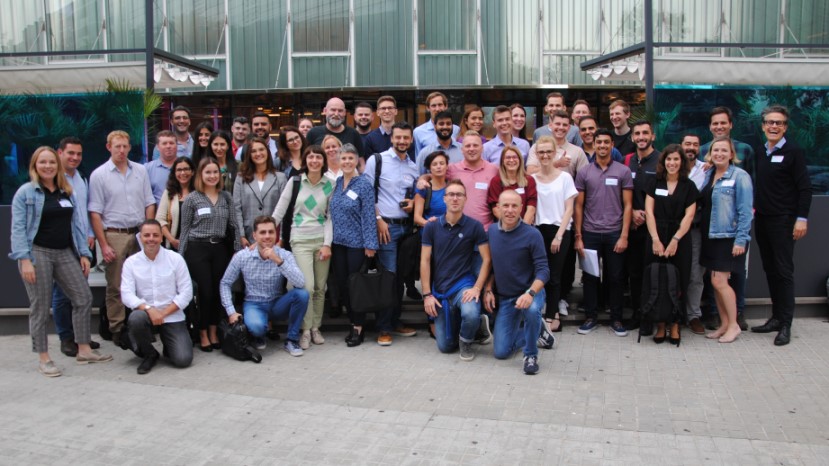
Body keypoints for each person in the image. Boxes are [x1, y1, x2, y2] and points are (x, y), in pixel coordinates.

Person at [10, 147, 112, 377]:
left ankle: (84, 348)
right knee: (40, 306)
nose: (48, 166)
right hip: (38, 253)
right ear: (35, 165)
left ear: (58, 165)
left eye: (51, 163)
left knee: (83, 297)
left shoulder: (67, 192)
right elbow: (17, 229)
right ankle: (44, 357)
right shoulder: (26, 193)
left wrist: (84, 254)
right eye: (42, 162)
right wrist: (24, 259)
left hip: (65, 251)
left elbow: (77, 226)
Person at [750, 105, 812, 346]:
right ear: (763, 126)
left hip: (784, 220)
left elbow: (805, 188)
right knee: (770, 269)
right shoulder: (761, 151)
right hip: (763, 219)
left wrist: (801, 218)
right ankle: (775, 317)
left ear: (785, 127)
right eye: (770, 122)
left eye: (779, 123)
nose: (774, 126)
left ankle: (786, 324)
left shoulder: (793, 151)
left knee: (784, 272)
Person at [89, 130, 155, 347]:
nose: (121, 150)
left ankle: (143, 323)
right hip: (114, 234)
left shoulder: (140, 171)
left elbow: (149, 202)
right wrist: (104, 244)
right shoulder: (99, 175)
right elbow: (95, 213)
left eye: (125, 146)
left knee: (143, 282)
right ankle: (117, 328)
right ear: (109, 147)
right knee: (115, 285)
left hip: (138, 233)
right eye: (117, 146)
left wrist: (148, 232)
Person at [421, 179, 492, 360]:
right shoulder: (431, 226)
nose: (455, 198)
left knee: (469, 312)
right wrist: (427, 294)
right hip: (441, 291)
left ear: (465, 199)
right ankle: (476, 326)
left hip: (464, 286)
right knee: (445, 347)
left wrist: (477, 288)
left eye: (459, 195)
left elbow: (487, 259)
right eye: (451, 194)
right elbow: (425, 261)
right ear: (444, 198)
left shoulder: (474, 226)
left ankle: (467, 340)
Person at [272, 145, 334, 350]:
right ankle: (305, 330)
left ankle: (316, 327)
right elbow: (280, 210)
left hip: (321, 241)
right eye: (311, 157)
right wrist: (266, 233)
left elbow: (330, 218)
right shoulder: (295, 181)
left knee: (319, 288)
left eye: (318, 157)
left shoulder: (330, 184)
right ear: (306, 160)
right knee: (306, 287)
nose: (315, 161)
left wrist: (327, 244)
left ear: (323, 161)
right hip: (300, 240)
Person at [219, 216, 309, 356]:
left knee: (302, 294)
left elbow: (300, 282)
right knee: (256, 327)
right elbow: (225, 283)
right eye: (262, 232)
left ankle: (291, 339)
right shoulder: (242, 256)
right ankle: (258, 335)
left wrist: (278, 260)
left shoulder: (284, 255)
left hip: (277, 303)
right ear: (254, 235)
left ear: (276, 234)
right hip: (254, 304)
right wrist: (231, 312)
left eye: (271, 232)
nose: (267, 236)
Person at [364, 122, 420, 345]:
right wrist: (377, 220)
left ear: (411, 140)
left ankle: (395, 321)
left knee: (399, 278)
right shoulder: (376, 160)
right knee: (388, 277)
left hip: (406, 227)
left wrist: (413, 203)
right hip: (385, 227)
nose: (402, 141)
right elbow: (366, 194)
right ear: (391, 138)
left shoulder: (414, 167)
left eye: (406, 138)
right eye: (398, 137)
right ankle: (384, 327)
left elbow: (417, 196)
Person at [573, 128, 633, 337]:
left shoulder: (622, 171)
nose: (602, 146)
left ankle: (616, 318)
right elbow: (578, 206)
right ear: (594, 144)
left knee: (615, 277)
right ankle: (591, 316)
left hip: (615, 232)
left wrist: (624, 235)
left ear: (612, 145)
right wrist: (578, 236)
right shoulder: (584, 172)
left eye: (607, 142)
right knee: (590, 277)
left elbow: (628, 205)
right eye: (599, 142)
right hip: (589, 232)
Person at [699, 107, 754, 331]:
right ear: (710, 154)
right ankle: (723, 324)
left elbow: (745, 210)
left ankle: (733, 325)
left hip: (728, 237)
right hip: (711, 236)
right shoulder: (709, 174)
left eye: (724, 150)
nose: (720, 153)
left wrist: (741, 239)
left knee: (722, 282)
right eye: (716, 151)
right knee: (715, 282)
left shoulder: (740, 176)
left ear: (732, 154)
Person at [484, 190, 551, 375]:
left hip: (531, 292)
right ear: (497, 208)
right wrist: (488, 288)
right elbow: (492, 265)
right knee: (500, 352)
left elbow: (544, 271)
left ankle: (531, 355)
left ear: (522, 208)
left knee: (530, 310)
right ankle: (538, 331)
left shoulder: (532, 234)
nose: (510, 210)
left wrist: (530, 293)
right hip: (507, 298)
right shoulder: (491, 232)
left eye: (515, 206)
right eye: (505, 205)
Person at [179, 157, 242, 352]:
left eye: (215, 172)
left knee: (218, 292)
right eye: (208, 172)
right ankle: (203, 332)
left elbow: (234, 226)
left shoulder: (226, 197)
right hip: (197, 250)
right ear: (200, 175)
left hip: (220, 249)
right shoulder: (192, 199)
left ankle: (215, 331)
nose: (212, 176)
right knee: (205, 293)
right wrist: (180, 258)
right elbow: (185, 230)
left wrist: (237, 251)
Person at [121, 220, 193, 374]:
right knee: (136, 318)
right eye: (147, 235)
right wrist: (148, 309)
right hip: (145, 314)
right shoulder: (131, 263)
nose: (151, 239)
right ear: (140, 238)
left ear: (161, 237)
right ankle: (149, 353)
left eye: (155, 235)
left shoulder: (175, 259)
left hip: (172, 314)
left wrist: (163, 314)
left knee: (183, 360)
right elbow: (126, 295)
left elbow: (186, 293)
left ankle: (169, 346)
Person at [643, 144, 698, 346]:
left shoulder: (689, 186)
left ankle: (675, 324)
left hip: (680, 238)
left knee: (680, 282)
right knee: (657, 279)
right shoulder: (654, 181)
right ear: (663, 161)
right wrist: (656, 239)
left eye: (676, 159)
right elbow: (649, 212)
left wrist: (675, 240)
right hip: (655, 235)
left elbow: (689, 215)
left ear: (682, 162)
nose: (672, 163)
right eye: (668, 159)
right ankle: (660, 323)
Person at [51, 137, 99, 357]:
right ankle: (66, 338)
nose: (75, 158)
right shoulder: (51, 180)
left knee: (81, 291)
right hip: (62, 244)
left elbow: (84, 212)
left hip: (82, 244)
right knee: (62, 294)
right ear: (59, 153)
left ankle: (82, 337)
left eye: (78, 154)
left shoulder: (81, 178)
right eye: (70, 153)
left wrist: (90, 235)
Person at [329, 144, 379, 347]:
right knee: (343, 286)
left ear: (357, 160)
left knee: (355, 287)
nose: (347, 162)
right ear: (339, 161)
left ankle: (358, 326)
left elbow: (369, 216)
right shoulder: (338, 182)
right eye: (344, 158)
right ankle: (352, 321)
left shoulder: (363, 184)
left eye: (351, 158)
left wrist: (370, 244)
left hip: (358, 245)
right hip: (338, 244)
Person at [532, 136, 578, 333]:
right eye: (541, 152)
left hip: (559, 230)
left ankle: (552, 314)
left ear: (555, 153)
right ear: (536, 154)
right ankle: (538, 312)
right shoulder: (531, 179)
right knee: (538, 273)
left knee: (555, 275)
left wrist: (559, 235)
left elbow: (569, 209)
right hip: (537, 230)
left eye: (548, 152)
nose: (544, 155)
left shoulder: (565, 178)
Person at [626, 120, 660, 331]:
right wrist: (631, 214)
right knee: (635, 274)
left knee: (652, 273)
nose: (641, 137)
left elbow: (665, 193)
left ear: (652, 136)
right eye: (637, 134)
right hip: (632, 228)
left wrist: (647, 215)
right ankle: (638, 314)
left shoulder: (661, 161)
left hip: (653, 229)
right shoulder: (627, 160)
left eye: (645, 133)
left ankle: (652, 316)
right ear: (632, 138)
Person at [233, 137, 287, 248]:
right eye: (253, 151)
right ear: (249, 155)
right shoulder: (240, 178)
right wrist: (241, 236)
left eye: (261, 149)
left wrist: (281, 238)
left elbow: (284, 212)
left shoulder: (280, 178)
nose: (258, 153)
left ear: (267, 151)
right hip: (249, 237)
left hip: (273, 238)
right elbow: (236, 209)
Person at [679, 134, 708, 335]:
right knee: (673, 272)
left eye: (695, 144)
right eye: (687, 144)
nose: (691, 147)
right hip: (673, 228)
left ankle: (693, 315)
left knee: (696, 274)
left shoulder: (707, 169)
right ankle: (673, 312)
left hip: (696, 228)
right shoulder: (672, 167)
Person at [526, 110, 588, 178]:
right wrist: (556, 164)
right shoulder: (537, 148)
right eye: (557, 124)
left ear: (569, 128)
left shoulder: (577, 151)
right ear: (551, 125)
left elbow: (585, 177)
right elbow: (529, 173)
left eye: (565, 125)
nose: (561, 127)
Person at [487, 146, 537, 225]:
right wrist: (511, 226)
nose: (511, 160)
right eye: (508, 157)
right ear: (502, 161)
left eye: (514, 157)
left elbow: (531, 207)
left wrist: (522, 228)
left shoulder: (529, 180)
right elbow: (496, 209)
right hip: (504, 227)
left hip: (525, 227)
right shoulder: (496, 181)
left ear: (520, 160)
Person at [156, 156, 195, 250]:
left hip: (194, 246)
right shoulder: (169, 192)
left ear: (192, 172)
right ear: (174, 173)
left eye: (186, 169)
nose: (183, 173)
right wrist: (172, 240)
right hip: (173, 245)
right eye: (179, 170)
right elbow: (160, 220)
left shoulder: (199, 193)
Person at [146, 130, 178, 204]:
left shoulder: (185, 166)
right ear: (157, 147)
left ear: (177, 145)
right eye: (164, 143)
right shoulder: (148, 168)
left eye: (171, 143)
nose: (168, 146)